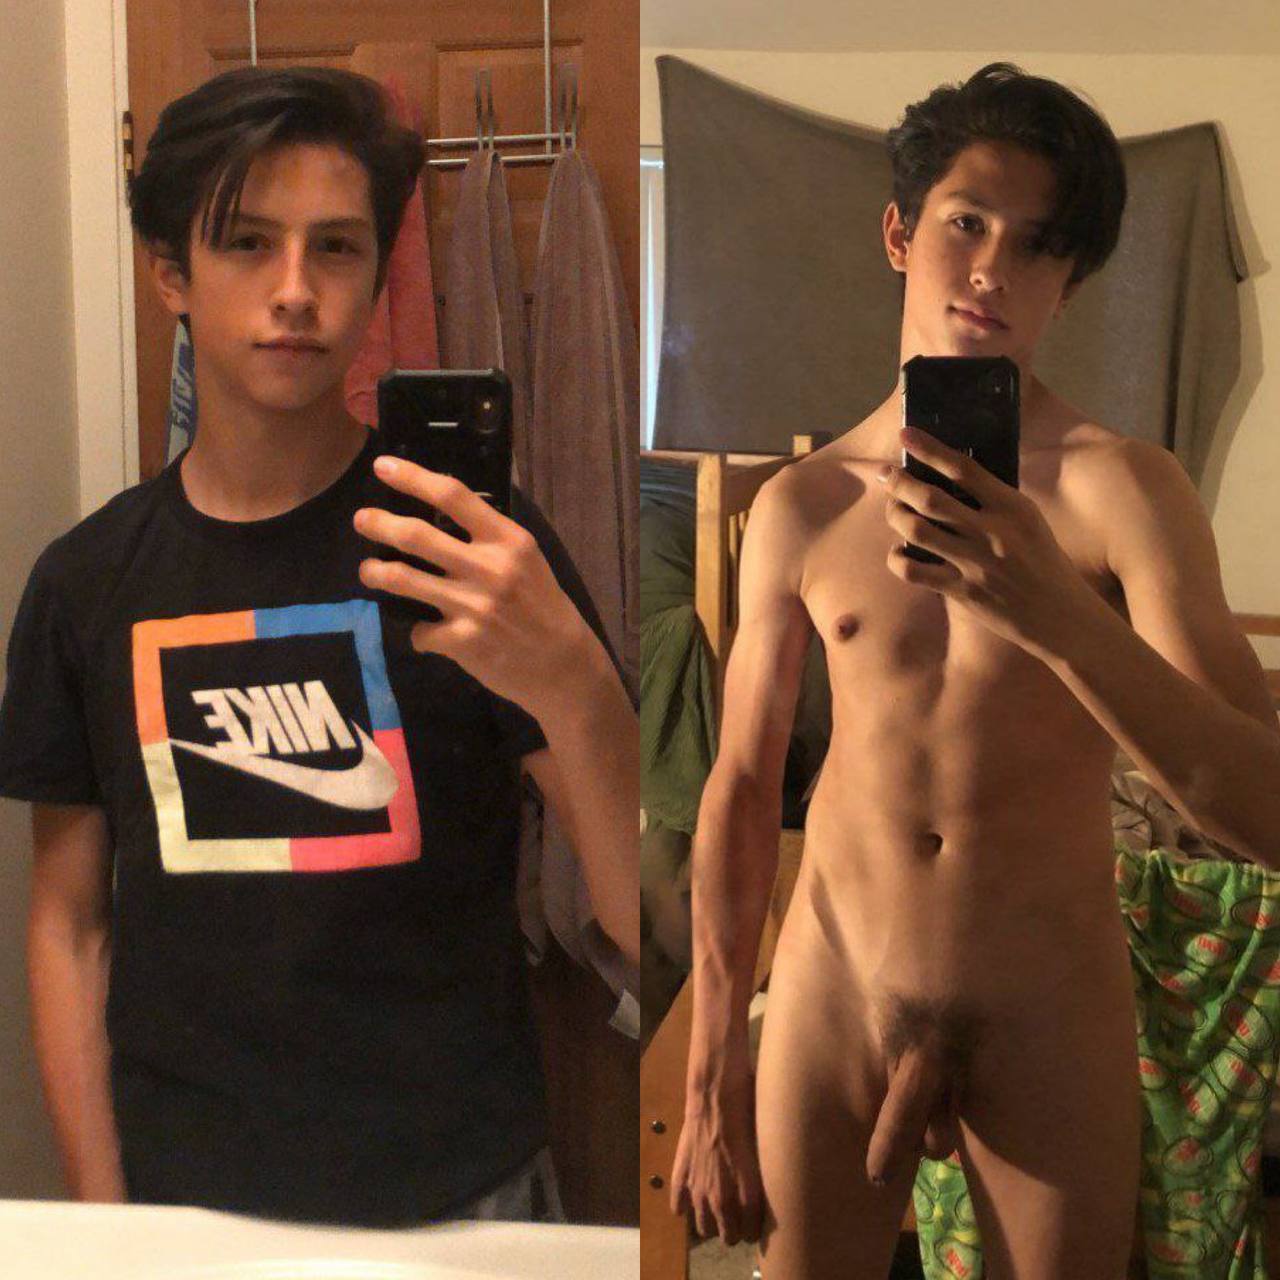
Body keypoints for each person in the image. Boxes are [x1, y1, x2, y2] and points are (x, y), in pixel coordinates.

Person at [669, 63, 1279, 1279]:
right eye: (966, 222)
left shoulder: (1122, 489)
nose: (994, 268)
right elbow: (738, 783)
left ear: (1070, 278)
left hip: (1048, 1002)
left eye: (1037, 245)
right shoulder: (801, 505)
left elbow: (1258, 805)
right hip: (834, 989)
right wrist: (707, 1065)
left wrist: (1055, 615)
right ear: (899, 233)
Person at [0, 66, 638, 1228]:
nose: (294, 290)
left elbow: (642, 921)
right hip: (183, 1205)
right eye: (248, 243)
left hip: (463, 1197)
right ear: (170, 273)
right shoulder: (83, 586)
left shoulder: (470, 547)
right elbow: (70, 923)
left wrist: (581, 691)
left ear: (376, 275)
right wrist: (107, 1218)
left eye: (335, 248)